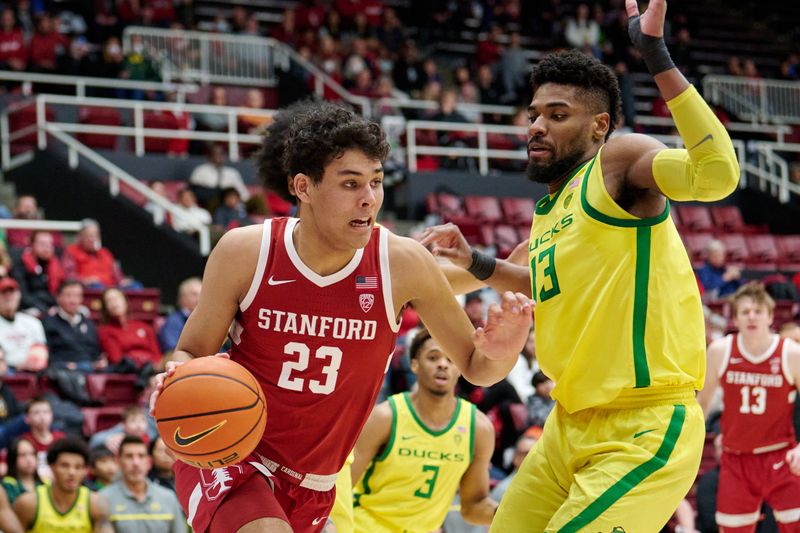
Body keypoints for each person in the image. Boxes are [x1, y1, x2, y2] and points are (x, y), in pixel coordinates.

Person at [418, 0, 740, 528]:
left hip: (642, 424)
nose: (537, 127)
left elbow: (717, 174)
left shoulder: (617, 162)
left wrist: (656, 56)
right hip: (567, 426)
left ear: (600, 126)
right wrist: (474, 260)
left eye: (558, 115)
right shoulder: (550, 211)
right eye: (534, 115)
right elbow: (546, 287)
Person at [151, 101, 532, 533]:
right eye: (350, 183)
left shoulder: (402, 262)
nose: (369, 198)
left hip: (318, 481)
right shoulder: (246, 251)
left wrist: (503, 349)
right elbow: (191, 350)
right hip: (235, 451)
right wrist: (176, 377)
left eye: (376, 181)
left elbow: (480, 369)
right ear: (303, 187)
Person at [351, 328, 497, 532]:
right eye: (433, 357)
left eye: (451, 359)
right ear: (414, 365)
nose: (443, 364)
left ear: (459, 369)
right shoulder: (385, 417)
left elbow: (472, 507)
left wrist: (507, 512)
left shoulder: (479, 428)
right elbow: (342, 484)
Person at [697, 282, 800, 532]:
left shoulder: (790, 353)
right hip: (735, 459)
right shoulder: (720, 351)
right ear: (735, 318)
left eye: (757, 311)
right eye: (745, 312)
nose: (751, 317)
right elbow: (702, 405)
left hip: (780, 456)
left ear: (770, 316)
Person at [13, 436, 113, 532]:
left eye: (78, 467)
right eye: (65, 466)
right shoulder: (28, 504)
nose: (71, 472)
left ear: (86, 471)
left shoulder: (96, 504)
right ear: (52, 467)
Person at [99, 436, 185, 533]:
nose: (136, 463)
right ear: (118, 461)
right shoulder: (104, 498)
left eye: (141, 456)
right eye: (129, 456)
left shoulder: (168, 498)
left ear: (149, 462)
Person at [42, 280, 105, 373]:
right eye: (68, 295)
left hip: (89, 368)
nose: (73, 300)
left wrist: (99, 362)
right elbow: (48, 353)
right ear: (58, 297)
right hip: (62, 369)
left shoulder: (89, 323)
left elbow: (95, 351)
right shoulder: (48, 322)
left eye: (77, 296)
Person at [97, 288, 162, 371]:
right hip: (132, 372)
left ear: (125, 301)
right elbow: (117, 360)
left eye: (117, 298)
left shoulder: (144, 327)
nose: (114, 303)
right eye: (109, 300)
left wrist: (154, 366)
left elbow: (157, 355)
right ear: (105, 308)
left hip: (153, 369)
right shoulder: (105, 331)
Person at [63, 219, 139, 290]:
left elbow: (116, 275)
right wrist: (85, 281)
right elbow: (69, 277)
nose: (92, 239)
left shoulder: (105, 253)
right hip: (89, 289)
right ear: (80, 237)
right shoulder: (71, 251)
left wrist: (122, 281)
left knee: (135, 286)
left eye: (95, 235)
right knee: (96, 286)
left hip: (110, 289)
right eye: (89, 236)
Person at [11, 231, 65, 317]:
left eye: (50, 244)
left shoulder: (56, 266)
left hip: (53, 307)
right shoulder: (20, 265)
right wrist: (44, 309)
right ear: (32, 245)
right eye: (42, 244)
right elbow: (23, 296)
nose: (47, 248)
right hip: (29, 309)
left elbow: (61, 292)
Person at [0, 276, 48, 372]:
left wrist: (35, 361)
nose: (8, 297)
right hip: (7, 372)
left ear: (19, 295)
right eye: (3, 293)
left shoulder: (33, 322)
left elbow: (41, 351)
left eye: (11, 293)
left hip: (34, 371)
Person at [188, 143, 251, 210]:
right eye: (215, 154)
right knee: (214, 201)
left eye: (221, 154)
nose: (218, 156)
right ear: (209, 156)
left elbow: (244, 194)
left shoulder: (232, 173)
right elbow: (193, 193)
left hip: (233, 204)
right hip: (211, 204)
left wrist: (236, 201)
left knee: (257, 201)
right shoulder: (200, 171)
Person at [158, 277, 201, 354]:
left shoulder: (206, 321)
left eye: (202, 294)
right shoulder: (173, 321)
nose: (199, 298)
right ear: (182, 298)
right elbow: (172, 349)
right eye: (194, 294)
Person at [2, 437, 42, 504]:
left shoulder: (46, 483)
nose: (29, 459)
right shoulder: (8, 485)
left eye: (32, 454)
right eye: (22, 455)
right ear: (12, 459)